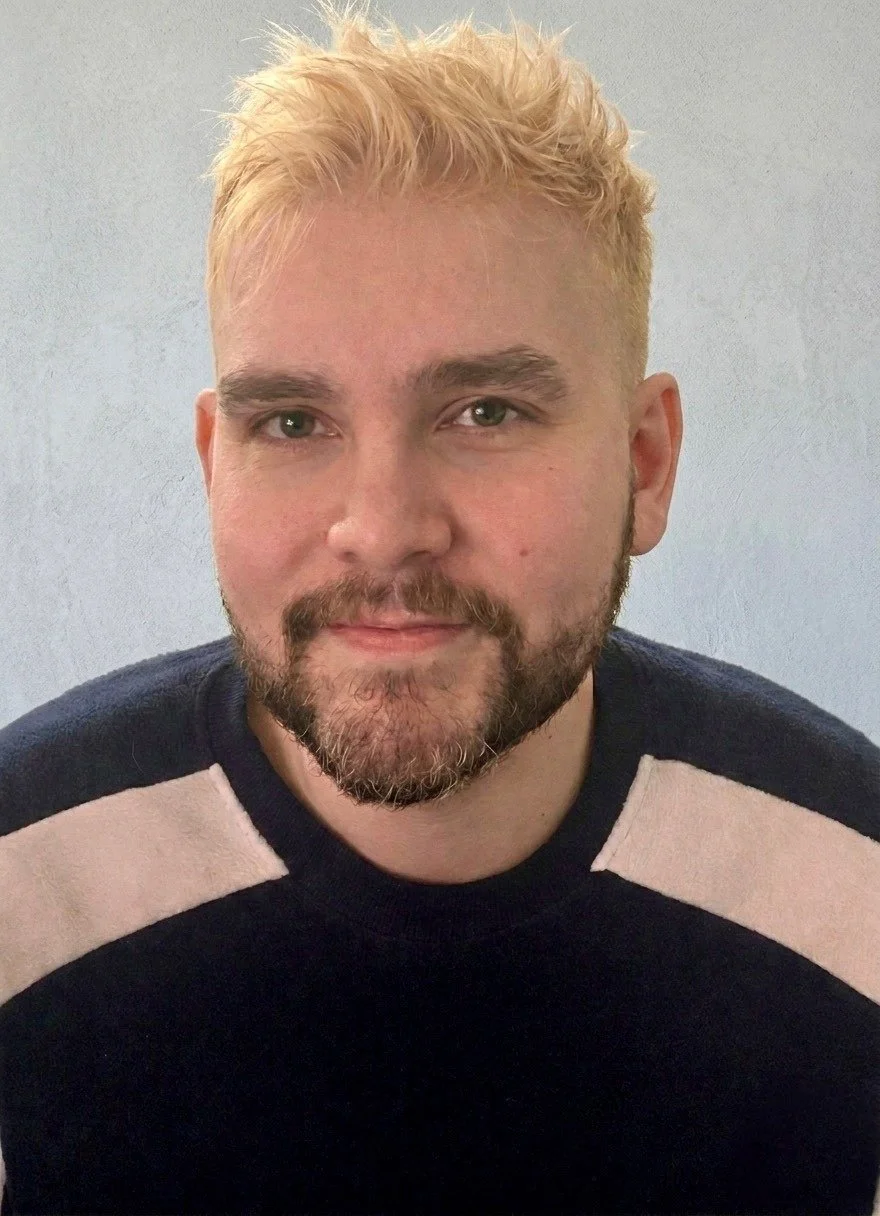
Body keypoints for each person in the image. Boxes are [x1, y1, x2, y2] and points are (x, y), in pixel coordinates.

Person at [1, 1, 877, 1211]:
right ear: (214, 462)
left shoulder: (854, 898)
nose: (382, 526)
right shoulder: (20, 895)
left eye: (485, 412)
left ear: (643, 464)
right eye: (292, 423)